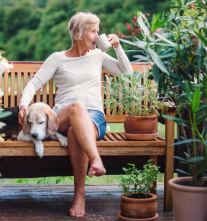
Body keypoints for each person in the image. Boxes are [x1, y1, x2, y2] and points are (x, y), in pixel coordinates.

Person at [18, 12, 133, 217]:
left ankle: (79, 195)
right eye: (93, 32)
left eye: (98, 31)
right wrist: (23, 105)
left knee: (74, 133)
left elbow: (127, 74)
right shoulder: (58, 58)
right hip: (61, 116)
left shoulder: (98, 56)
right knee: (77, 108)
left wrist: (118, 47)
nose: (98, 36)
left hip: (94, 118)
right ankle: (96, 160)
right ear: (79, 33)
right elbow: (34, 82)